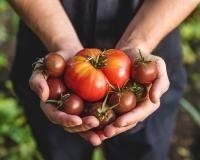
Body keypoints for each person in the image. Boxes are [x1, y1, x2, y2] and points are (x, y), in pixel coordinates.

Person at [9, 0, 199, 160]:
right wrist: (61, 41)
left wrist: (140, 42)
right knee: (58, 151)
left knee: (146, 150)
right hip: (45, 30)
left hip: (154, 29)